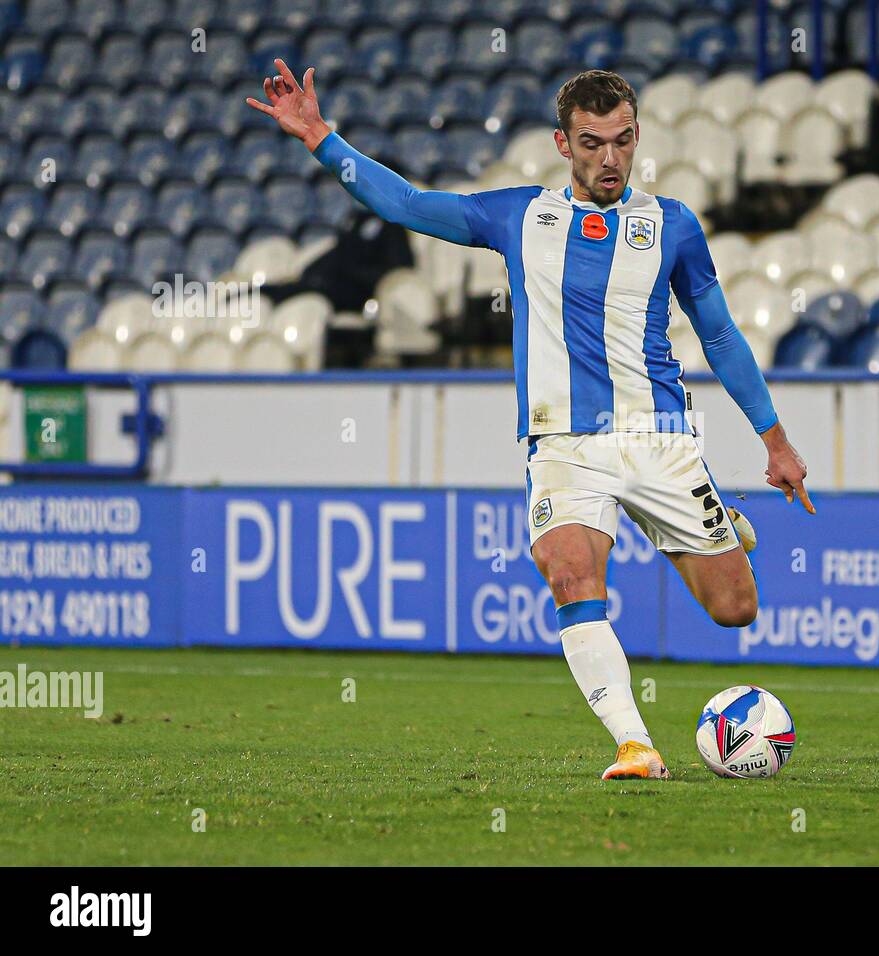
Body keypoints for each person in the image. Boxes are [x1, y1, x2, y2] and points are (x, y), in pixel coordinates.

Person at [247, 60, 815, 780]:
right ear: (561, 143)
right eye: (591, 142)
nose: (609, 158)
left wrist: (776, 441)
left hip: (659, 440)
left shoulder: (671, 226)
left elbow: (722, 337)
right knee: (571, 573)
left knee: (735, 610)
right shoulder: (520, 216)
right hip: (562, 444)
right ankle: (635, 745)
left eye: (622, 140)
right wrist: (321, 138)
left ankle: (721, 522)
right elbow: (407, 203)